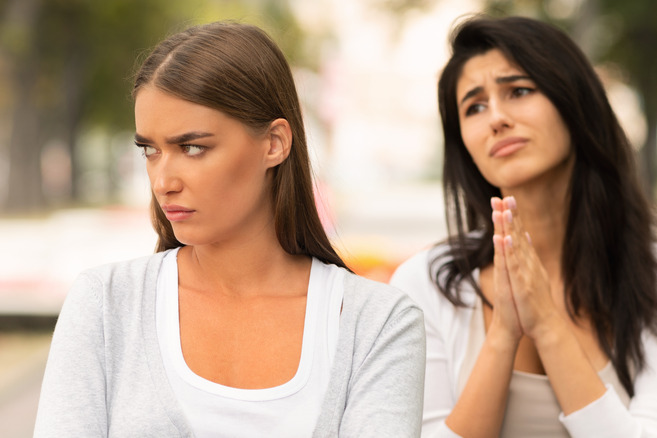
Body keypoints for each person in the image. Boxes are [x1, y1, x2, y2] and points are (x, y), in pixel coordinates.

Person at [35, 21, 425, 437]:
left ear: (274, 143)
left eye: (192, 148)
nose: (163, 181)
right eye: (150, 150)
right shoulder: (106, 304)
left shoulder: (377, 324)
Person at [390, 15, 657, 438]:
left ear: (574, 102)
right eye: (474, 107)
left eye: (519, 91)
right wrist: (503, 335)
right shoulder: (426, 285)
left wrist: (546, 323)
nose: (496, 118)